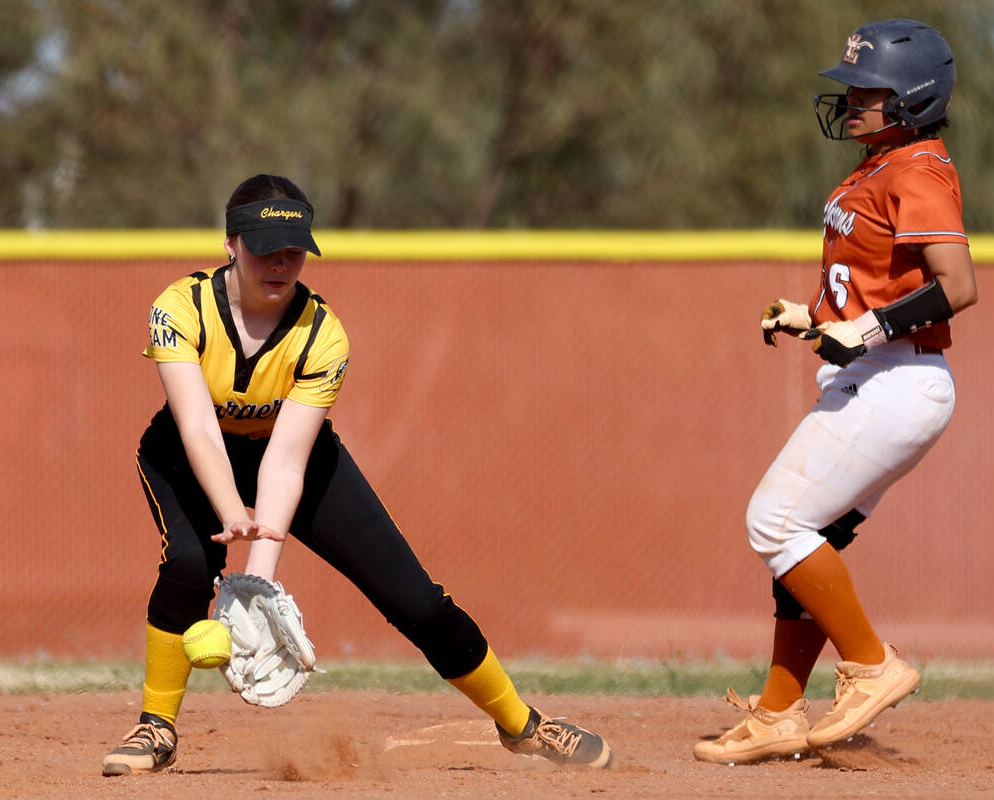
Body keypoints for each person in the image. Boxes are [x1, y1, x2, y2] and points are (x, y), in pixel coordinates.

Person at [103, 173, 612, 776]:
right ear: (231, 244)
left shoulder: (323, 334)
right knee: (189, 565)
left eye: (294, 251)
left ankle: (525, 725)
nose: (280, 263)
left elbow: (287, 460)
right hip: (187, 457)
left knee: (416, 598)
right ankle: (155, 729)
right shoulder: (180, 307)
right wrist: (232, 514)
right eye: (265, 248)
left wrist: (256, 580)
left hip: (299, 459)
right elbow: (197, 429)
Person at [694, 19, 978, 765]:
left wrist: (871, 330)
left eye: (868, 90)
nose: (851, 101)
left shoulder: (917, 167)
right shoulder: (873, 169)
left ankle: (873, 663)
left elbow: (959, 287)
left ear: (913, 97)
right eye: (849, 88)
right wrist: (812, 316)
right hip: (875, 375)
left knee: (773, 522)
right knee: (805, 542)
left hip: (898, 379)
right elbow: (869, 292)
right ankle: (780, 713)